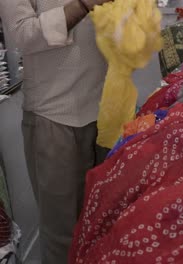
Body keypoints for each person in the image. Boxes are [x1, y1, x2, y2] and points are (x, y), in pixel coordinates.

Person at [0, 0, 111, 262]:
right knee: (63, 236)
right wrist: (83, 4)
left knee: (102, 223)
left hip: (106, 111)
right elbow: (23, 35)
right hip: (54, 119)